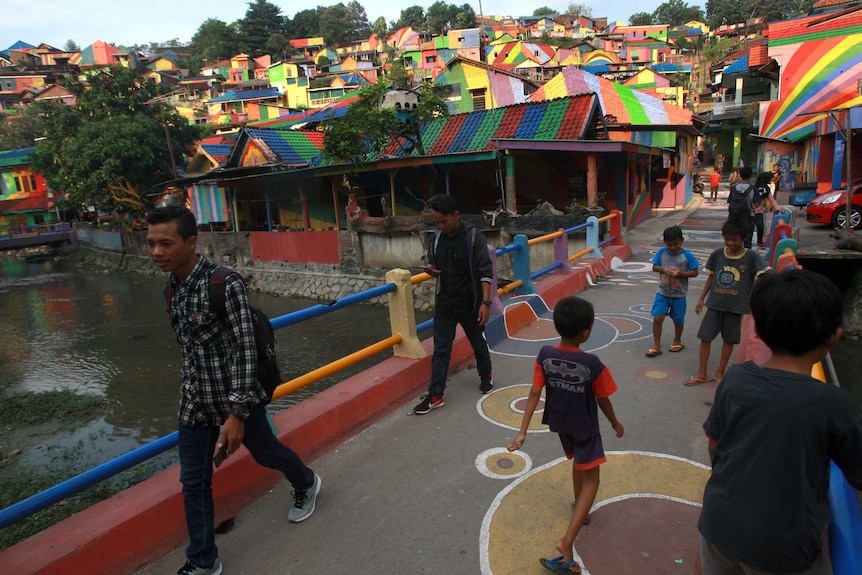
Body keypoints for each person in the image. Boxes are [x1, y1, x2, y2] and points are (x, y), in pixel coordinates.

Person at [145, 206, 321, 575]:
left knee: (267, 452)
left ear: (191, 242)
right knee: (193, 481)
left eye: (166, 243)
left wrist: (237, 412)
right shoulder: (171, 289)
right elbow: (190, 353)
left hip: (235, 400)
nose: (156, 252)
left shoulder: (225, 284)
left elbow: (245, 348)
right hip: (195, 404)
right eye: (151, 244)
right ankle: (203, 559)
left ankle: (306, 481)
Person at [698, 269, 862, 574]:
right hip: (784, 548)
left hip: (718, 525)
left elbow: (715, 446)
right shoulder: (834, 404)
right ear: (834, 336)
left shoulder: (736, 379)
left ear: (757, 331)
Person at [508, 296, 624, 575]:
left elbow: (535, 392)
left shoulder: (545, 354)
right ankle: (566, 541)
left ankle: (578, 508)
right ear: (586, 332)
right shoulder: (592, 363)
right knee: (593, 480)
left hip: (561, 424)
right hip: (585, 427)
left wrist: (522, 432)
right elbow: (603, 399)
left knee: (578, 463)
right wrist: (615, 423)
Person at [414, 194, 494, 414]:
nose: (441, 226)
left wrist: (485, 303)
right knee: (441, 350)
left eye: (444, 221)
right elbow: (433, 265)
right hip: (445, 303)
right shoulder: (436, 238)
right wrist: (430, 270)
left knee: (478, 343)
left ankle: (486, 375)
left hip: (471, 303)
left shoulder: (473, 237)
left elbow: (486, 272)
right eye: (437, 222)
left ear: (456, 215)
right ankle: (436, 394)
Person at [685, 218, 770, 386]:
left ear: (744, 238)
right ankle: (702, 372)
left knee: (729, 340)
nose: (730, 243)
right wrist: (701, 298)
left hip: (736, 307)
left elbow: (765, 273)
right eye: (727, 239)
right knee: (705, 337)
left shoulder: (751, 256)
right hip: (714, 303)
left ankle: (720, 372)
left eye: (734, 240)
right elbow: (711, 276)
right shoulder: (717, 254)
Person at [646, 226, 699, 358]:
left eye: (676, 244)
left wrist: (682, 274)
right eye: (670, 244)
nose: (673, 247)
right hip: (663, 292)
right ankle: (656, 345)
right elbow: (654, 267)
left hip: (679, 295)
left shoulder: (687, 256)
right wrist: (663, 269)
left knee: (678, 320)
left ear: (682, 241)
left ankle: (677, 340)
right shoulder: (662, 252)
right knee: (658, 318)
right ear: (665, 243)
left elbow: (695, 272)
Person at [726, 166, 755, 248]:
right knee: (747, 240)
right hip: (748, 216)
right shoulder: (753, 189)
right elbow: (756, 203)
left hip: (734, 217)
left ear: (740, 175)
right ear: (751, 175)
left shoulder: (734, 188)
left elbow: (729, 201)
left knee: (734, 238)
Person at [752, 171, 775, 248]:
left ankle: (759, 241)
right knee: (750, 227)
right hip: (750, 212)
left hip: (759, 212)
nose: (771, 180)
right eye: (770, 178)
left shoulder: (766, 189)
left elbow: (772, 200)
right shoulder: (754, 188)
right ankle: (747, 242)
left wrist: (778, 208)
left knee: (760, 226)